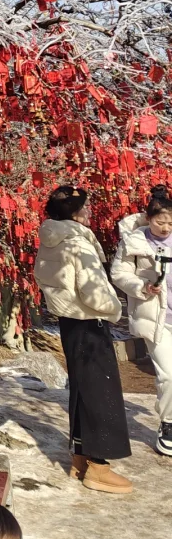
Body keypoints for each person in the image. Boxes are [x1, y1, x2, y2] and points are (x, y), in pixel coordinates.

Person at [33, 183, 133, 492]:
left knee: (81, 388)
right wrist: (114, 308)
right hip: (89, 322)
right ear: (75, 214)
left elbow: (42, 276)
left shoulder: (51, 239)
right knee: (101, 392)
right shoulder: (78, 243)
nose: (89, 213)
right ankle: (99, 465)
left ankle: (79, 457)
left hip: (68, 322)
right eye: (85, 208)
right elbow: (94, 290)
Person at [111, 183, 172, 457]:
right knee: (169, 374)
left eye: (171, 222)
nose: (166, 227)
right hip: (156, 319)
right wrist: (142, 287)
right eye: (161, 221)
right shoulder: (134, 242)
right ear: (149, 218)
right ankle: (168, 424)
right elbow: (119, 274)